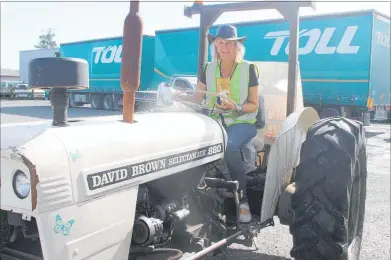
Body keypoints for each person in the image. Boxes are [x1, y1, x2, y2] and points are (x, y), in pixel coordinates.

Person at [175, 24, 260, 223]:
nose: (224, 47)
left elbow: (253, 105)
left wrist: (236, 107)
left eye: (229, 43)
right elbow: (198, 97)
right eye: (221, 43)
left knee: (228, 146)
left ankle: (243, 200)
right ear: (216, 46)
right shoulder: (209, 68)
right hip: (216, 121)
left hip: (242, 121)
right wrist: (180, 97)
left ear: (237, 46)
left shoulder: (249, 69)